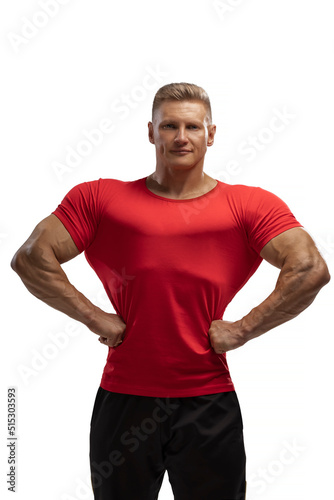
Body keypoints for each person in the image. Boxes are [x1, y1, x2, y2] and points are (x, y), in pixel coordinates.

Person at [11, 82, 330, 500]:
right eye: (170, 126)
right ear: (151, 132)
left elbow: (309, 268)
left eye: (193, 127)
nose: (181, 137)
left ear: (211, 134)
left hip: (208, 402)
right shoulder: (102, 199)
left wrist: (241, 330)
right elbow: (32, 257)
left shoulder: (248, 206)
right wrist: (94, 317)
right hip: (124, 400)